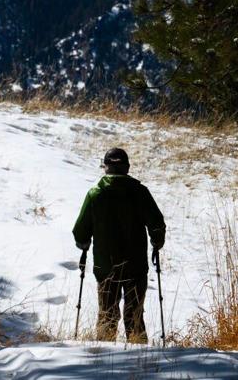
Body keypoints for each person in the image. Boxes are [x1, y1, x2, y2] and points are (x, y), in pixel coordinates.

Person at [72, 146, 166, 343]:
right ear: (127, 168)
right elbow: (156, 223)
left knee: (107, 313)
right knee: (135, 314)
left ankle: (103, 352)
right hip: (136, 265)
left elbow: (80, 230)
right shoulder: (140, 192)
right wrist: (157, 241)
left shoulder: (96, 194)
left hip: (105, 266)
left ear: (105, 167)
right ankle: (139, 352)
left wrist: (83, 243)